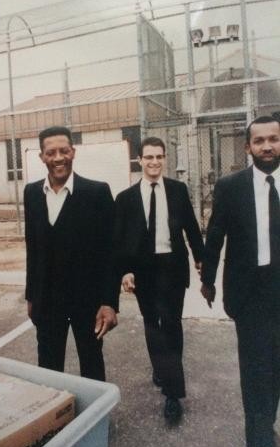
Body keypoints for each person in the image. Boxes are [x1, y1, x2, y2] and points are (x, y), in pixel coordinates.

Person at [201, 116, 280, 447]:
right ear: (247, 147)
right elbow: (216, 235)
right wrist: (207, 281)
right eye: (259, 140)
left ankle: (269, 428)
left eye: (273, 139)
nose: (267, 146)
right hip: (252, 297)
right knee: (256, 379)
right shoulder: (230, 187)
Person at [113, 136, 204, 423]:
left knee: (173, 323)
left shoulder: (177, 190)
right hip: (143, 270)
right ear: (139, 160)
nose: (154, 162)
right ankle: (162, 367)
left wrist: (202, 261)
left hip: (172, 266)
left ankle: (173, 394)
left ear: (165, 159)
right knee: (153, 324)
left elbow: (191, 227)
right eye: (148, 157)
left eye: (159, 157)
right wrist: (124, 271)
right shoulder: (126, 198)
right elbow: (119, 240)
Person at [24, 125, 118, 381]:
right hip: (47, 301)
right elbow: (32, 248)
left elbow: (110, 253)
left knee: (91, 365)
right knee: (49, 367)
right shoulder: (32, 193)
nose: (58, 158)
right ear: (41, 156)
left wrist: (109, 302)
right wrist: (31, 296)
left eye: (63, 151)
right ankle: (54, 419)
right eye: (51, 152)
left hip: (87, 301)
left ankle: (96, 418)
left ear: (73, 152)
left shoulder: (97, 193)